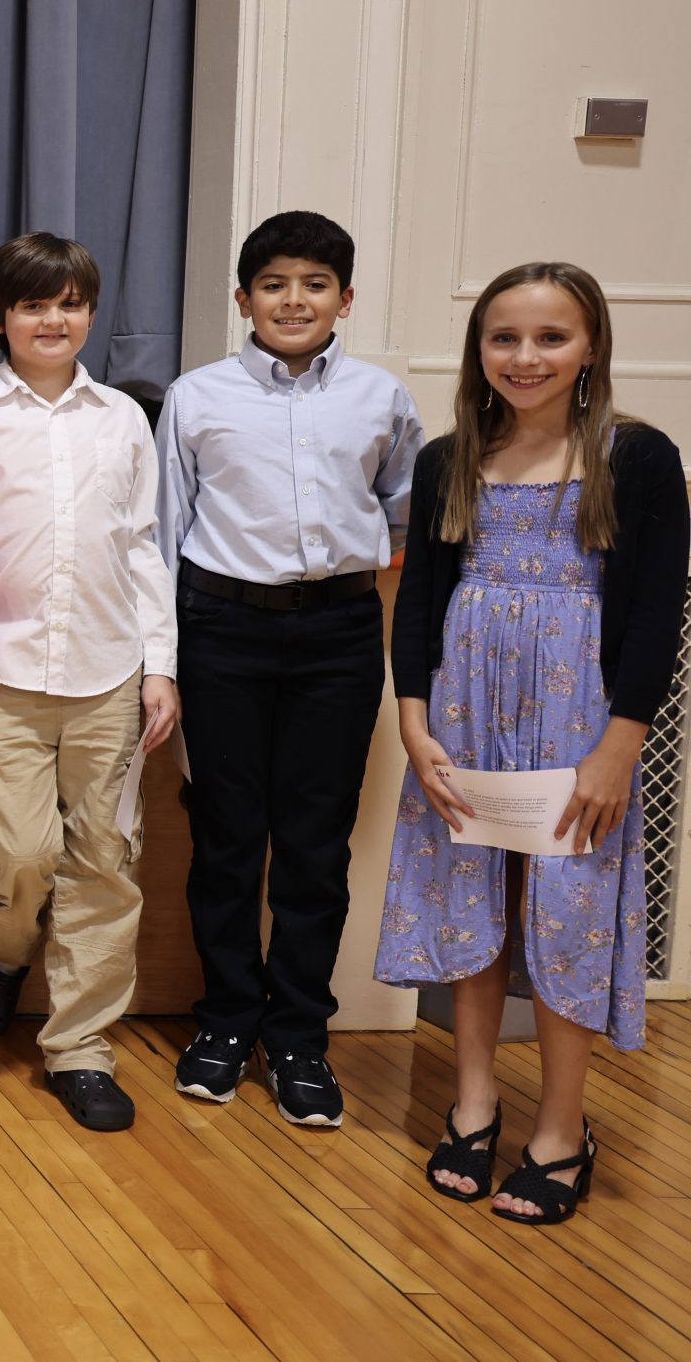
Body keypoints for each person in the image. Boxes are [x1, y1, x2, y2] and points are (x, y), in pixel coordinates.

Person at [377, 263, 685, 1223]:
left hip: (577, 723)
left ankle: (560, 1127)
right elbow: (419, 601)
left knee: (565, 916)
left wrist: (617, 748)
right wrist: (414, 721)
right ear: (480, 349)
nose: (525, 357)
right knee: (474, 902)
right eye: (504, 337)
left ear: (590, 344)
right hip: (464, 715)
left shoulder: (637, 457)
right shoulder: (449, 457)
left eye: (551, 337)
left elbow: (655, 616)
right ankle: (473, 1103)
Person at [156, 210, 422, 1128]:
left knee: (315, 842)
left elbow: (400, 515)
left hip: (339, 634)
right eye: (274, 284)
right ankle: (227, 1021)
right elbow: (166, 527)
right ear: (243, 299)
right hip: (221, 627)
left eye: (314, 283)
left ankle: (301, 1034)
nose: (293, 299)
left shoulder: (383, 399)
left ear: (345, 298)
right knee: (228, 835)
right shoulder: (196, 396)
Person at [0, 234, 177, 1132]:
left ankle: (79, 1048)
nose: (55, 319)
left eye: (71, 303)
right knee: (18, 859)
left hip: (110, 677)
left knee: (104, 865)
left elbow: (143, 545)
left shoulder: (121, 416)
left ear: (90, 312)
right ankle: (1, 953)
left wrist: (161, 666)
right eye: (34, 305)